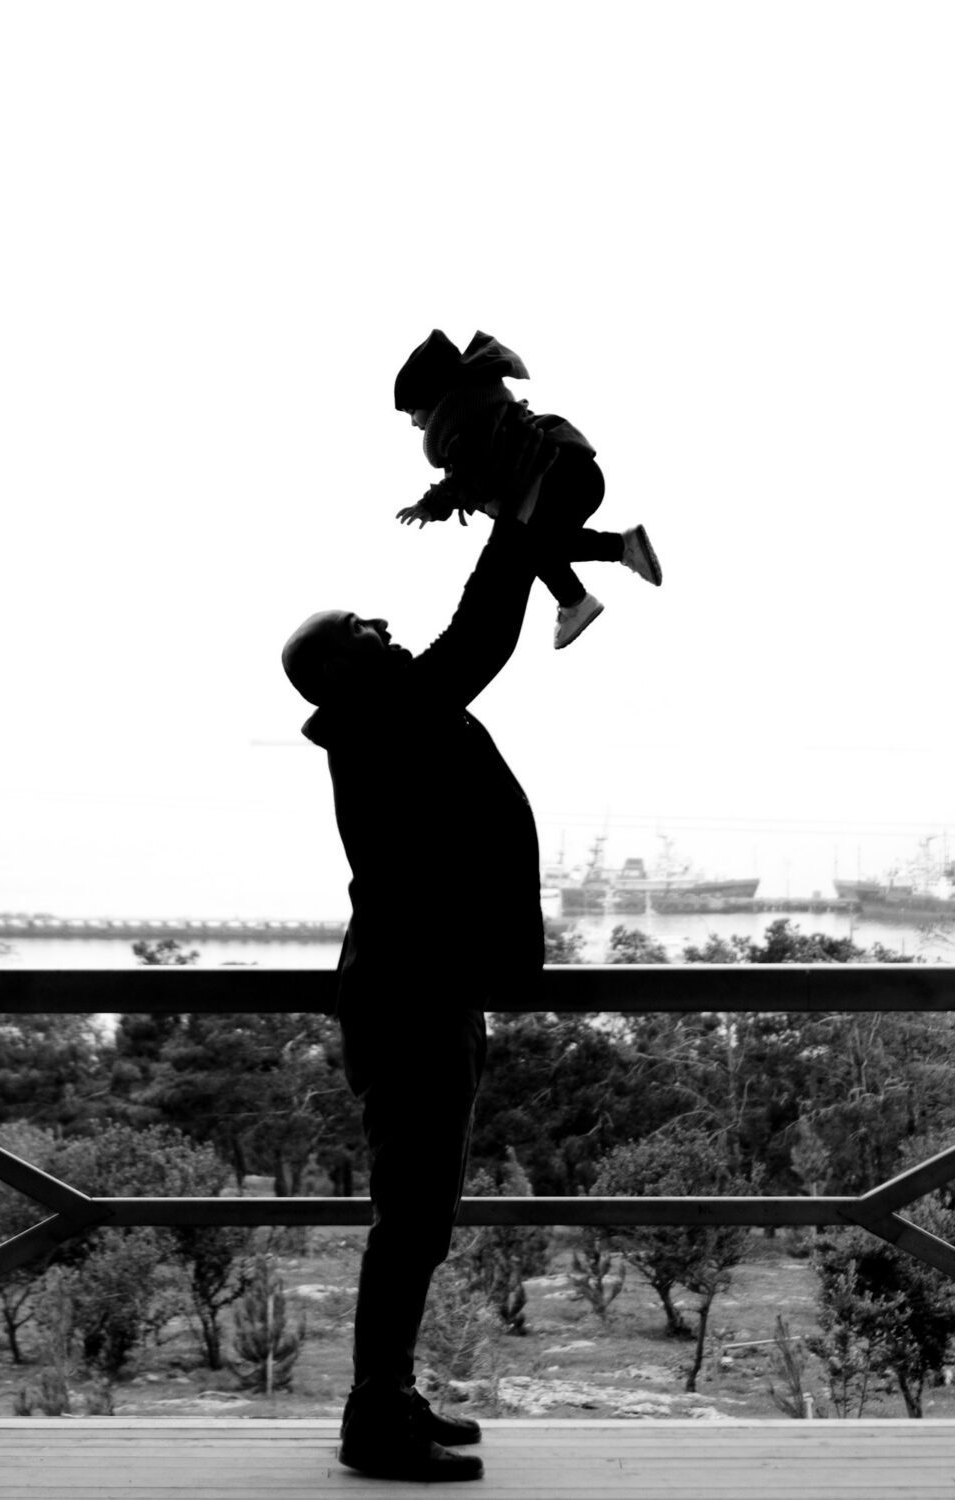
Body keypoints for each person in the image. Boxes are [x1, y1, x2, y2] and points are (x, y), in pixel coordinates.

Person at [280, 421, 552, 1483]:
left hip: (423, 988)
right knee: (411, 1216)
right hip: (408, 997)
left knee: (423, 1213)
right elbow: (478, 638)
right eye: (362, 629)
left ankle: (389, 1394)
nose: (384, 629)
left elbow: (463, 651)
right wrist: (519, 525)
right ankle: (372, 1424)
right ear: (337, 674)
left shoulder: (385, 717)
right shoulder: (385, 718)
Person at [394, 328, 663, 649]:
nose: (413, 423)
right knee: (539, 544)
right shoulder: (487, 414)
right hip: (574, 476)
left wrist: (431, 504)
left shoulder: (468, 428)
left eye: (412, 411)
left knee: (528, 544)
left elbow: (468, 473)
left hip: (564, 479)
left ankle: (581, 594)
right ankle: (601, 572)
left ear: (436, 399)